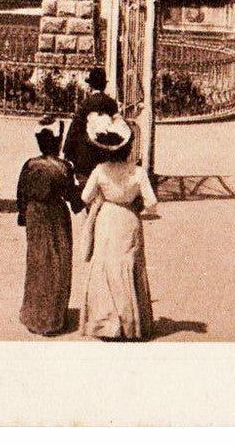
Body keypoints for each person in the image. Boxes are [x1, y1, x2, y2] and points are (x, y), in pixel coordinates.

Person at [80, 114, 157, 341]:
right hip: (128, 219)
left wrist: (102, 197)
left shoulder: (101, 170)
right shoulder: (138, 172)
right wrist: (137, 208)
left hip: (107, 218)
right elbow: (152, 203)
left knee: (106, 268)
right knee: (128, 266)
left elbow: (85, 196)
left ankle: (107, 322)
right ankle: (130, 324)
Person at [16, 118, 83, 336]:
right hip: (56, 217)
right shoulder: (63, 167)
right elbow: (74, 200)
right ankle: (53, 317)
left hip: (36, 217)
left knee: (36, 262)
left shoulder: (30, 165)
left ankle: (33, 315)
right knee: (57, 262)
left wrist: (23, 214)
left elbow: (21, 192)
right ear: (58, 141)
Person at [61, 67, 118, 190]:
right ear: (104, 86)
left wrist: (68, 151)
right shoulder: (111, 104)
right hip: (105, 154)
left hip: (86, 156)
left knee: (87, 188)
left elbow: (75, 128)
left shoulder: (86, 103)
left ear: (90, 86)